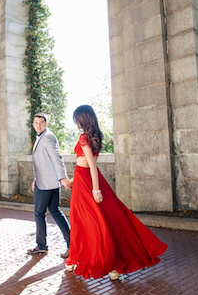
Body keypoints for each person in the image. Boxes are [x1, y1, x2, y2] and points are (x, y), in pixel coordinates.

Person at [65, 105, 168, 280]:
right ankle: (76, 259)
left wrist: (95, 190)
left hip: (88, 183)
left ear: (83, 118)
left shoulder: (84, 138)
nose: (76, 123)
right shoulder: (94, 136)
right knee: (91, 220)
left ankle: (108, 264)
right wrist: (73, 181)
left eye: (77, 119)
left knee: (89, 222)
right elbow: (84, 163)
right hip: (83, 180)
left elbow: (91, 165)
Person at [27, 113, 72, 258]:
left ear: (46, 124)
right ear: (33, 124)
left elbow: (57, 158)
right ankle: (72, 244)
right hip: (47, 181)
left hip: (47, 184)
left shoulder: (48, 137)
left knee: (39, 213)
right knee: (54, 210)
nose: (39, 125)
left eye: (41, 122)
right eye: (36, 123)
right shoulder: (41, 137)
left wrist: (63, 178)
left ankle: (42, 246)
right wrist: (35, 178)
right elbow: (43, 162)